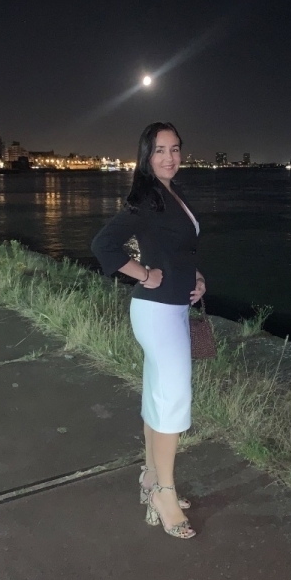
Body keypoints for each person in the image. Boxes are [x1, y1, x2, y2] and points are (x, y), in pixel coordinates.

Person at [91, 122, 205, 539]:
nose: (169, 157)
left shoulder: (172, 193)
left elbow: (176, 249)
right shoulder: (146, 198)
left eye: (175, 149)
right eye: (160, 150)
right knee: (174, 400)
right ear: (146, 155)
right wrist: (143, 273)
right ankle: (164, 494)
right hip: (156, 313)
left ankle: (151, 476)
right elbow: (103, 245)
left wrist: (196, 277)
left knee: (159, 396)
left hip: (173, 308)